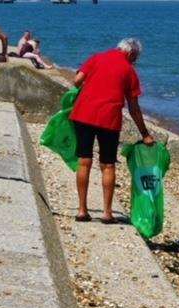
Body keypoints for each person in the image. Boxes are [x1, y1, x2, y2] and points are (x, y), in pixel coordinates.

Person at [70, 38, 154, 224]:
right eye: (136, 58)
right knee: (107, 164)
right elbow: (134, 108)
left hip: (83, 114)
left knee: (84, 160)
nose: (135, 61)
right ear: (131, 53)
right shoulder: (129, 71)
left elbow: (77, 80)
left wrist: (90, 87)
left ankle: (82, 211)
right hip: (109, 119)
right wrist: (145, 134)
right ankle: (107, 214)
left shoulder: (96, 57)